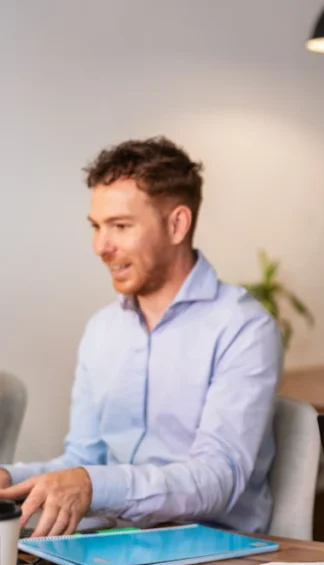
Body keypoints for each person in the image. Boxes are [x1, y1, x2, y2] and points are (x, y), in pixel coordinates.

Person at [0, 137, 282, 537]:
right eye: (97, 227)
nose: (101, 246)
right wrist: (9, 478)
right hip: (110, 543)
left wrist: (93, 485)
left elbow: (219, 478)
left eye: (120, 226)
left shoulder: (244, 328)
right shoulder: (102, 329)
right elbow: (84, 458)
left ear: (177, 224)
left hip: (207, 551)